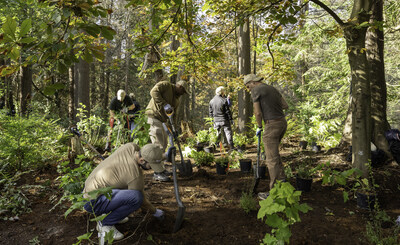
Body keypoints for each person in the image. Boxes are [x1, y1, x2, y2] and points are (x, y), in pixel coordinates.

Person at [82, 143, 167, 240]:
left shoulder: (131, 147)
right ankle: (105, 223)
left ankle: (114, 213)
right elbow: (143, 202)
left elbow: (150, 154)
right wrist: (155, 212)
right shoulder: (135, 176)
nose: (151, 169)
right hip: (93, 202)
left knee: (127, 188)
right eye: (151, 166)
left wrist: (163, 156)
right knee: (136, 198)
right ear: (142, 160)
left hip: (89, 189)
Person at [244, 74, 289, 200]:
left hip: (271, 125)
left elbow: (257, 112)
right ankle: (283, 183)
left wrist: (259, 127)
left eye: (248, 86)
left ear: (252, 82)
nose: (249, 89)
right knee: (274, 155)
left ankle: (274, 193)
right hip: (282, 123)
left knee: (271, 159)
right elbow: (285, 105)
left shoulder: (256, 90)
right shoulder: (272, 89)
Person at [145, 80, 189, 181]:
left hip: (163, 121)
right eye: (183, 91)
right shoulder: (166, 85)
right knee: (158, 146)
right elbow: (153, 92)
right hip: (154, 116)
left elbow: (174, 114)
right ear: (180, 86)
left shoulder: (177, 100)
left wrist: (174, 129)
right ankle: (157, 173)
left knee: (163, 145)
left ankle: (161, 169)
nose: (183, 94)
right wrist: (164, 104)